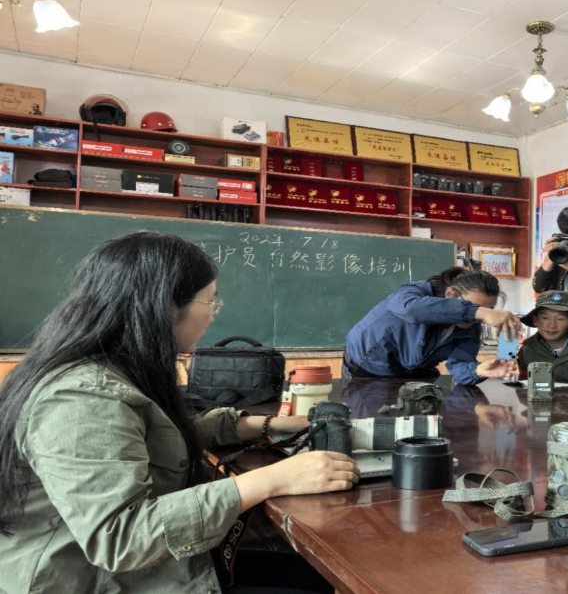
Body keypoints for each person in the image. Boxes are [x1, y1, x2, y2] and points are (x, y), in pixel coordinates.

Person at [0, 233, 359, 593]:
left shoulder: (112, 369)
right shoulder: (81, 397)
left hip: (147, 568)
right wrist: (273, 479)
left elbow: (151, 438)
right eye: (210, 302)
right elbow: (121, 538)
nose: (212, 316)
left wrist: (263, 424)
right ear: (166, 305)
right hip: (98, 580)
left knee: (311, 575)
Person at [344, 267, 520, 384]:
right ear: (450, 294)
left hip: (413, 376)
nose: (476, 319)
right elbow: (411, 310)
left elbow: (460, 366)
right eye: (474, 307)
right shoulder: (414, 293)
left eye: (487, 309)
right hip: (366, 372)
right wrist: (478, 311)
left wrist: (478, 371)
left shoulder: (470, 328)